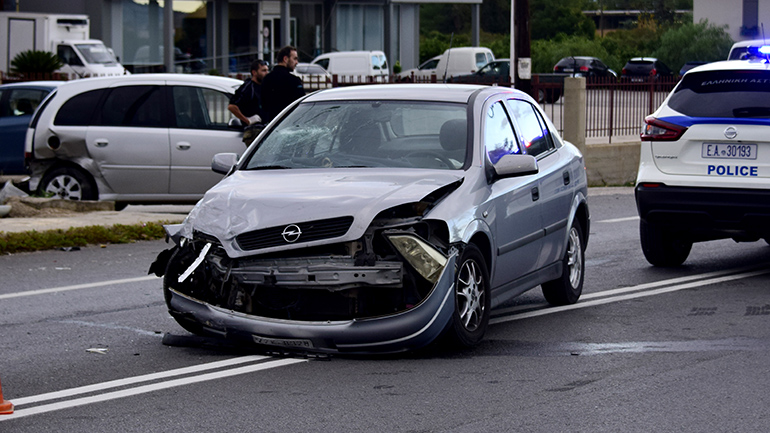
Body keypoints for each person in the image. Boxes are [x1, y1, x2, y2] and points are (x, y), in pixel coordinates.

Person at [261, 46, 305, 122]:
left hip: (271, 124)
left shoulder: (267, 79)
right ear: (285, 59)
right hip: (289, 122)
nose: (297, 62)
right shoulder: (293, 80)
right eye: (294, 59)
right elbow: (301, 104)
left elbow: (263, 104)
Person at [228, 59, 269, 126]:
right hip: (253, 129)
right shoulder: (248, 88)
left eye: (267, 70)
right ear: (254, 72)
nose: (267, 73)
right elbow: (232, 106)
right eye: (263, 70)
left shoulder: (265, 86)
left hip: (266, 126)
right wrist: (248, 121)